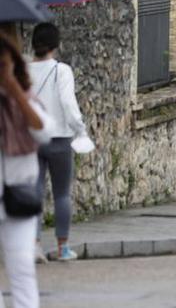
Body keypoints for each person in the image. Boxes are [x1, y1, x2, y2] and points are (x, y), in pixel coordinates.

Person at [29, 23, 86, 263]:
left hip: (32, 138)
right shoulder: (61, 71)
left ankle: (33, 244)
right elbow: (68, 103)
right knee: (62, 193)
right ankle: (63, 247)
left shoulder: (25, 71)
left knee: (35, 192)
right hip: (60, 137)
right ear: (56, 45)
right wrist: (80, 129)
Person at [0, 27, 48, 308]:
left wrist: (15, 92)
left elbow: (43, 131)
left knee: (21, 270)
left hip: (18, 194)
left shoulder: (26, 98)